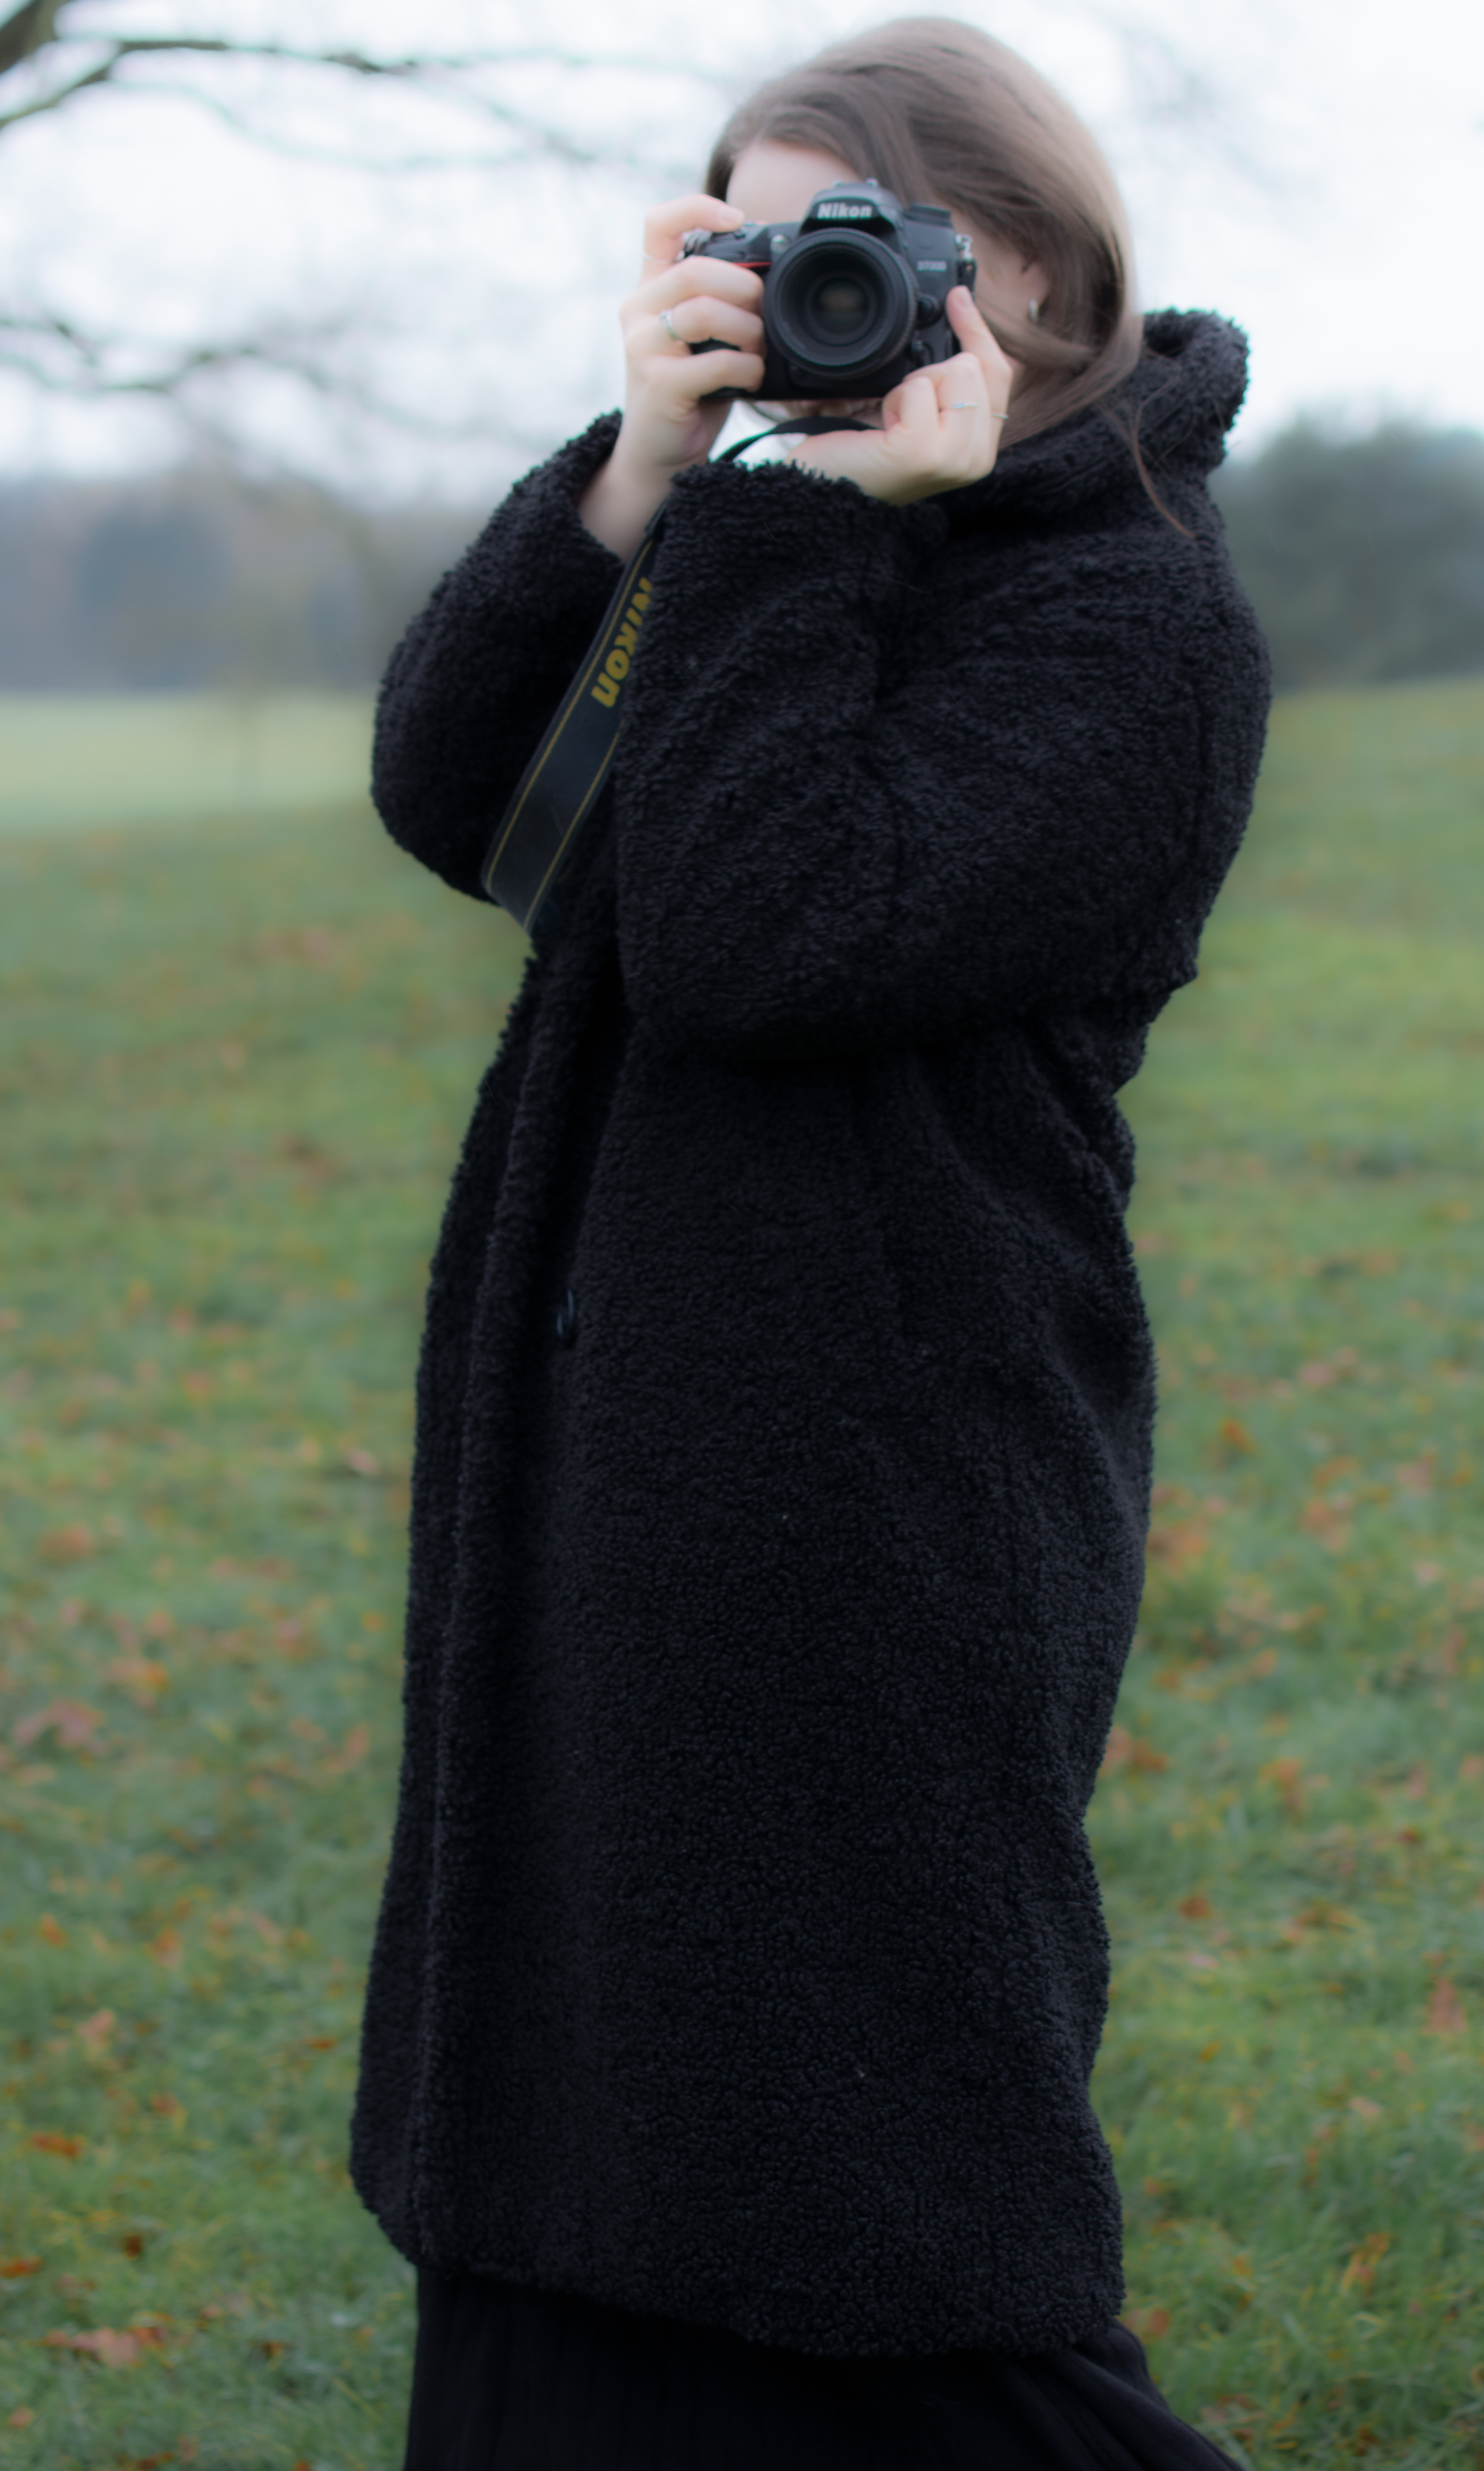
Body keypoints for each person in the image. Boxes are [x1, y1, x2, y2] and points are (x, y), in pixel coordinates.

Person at [352, 17, 1270, 2467]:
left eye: (872, 245)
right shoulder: (769, 528)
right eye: (758, 245)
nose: (822, 297)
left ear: (1045, 271)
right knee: (582, 2152)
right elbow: (456, 790)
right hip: (622, 1456)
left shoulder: (1129, 620)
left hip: (874, 1491)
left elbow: (770, 937)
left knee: (883, 2200)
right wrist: (651, 461)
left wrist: (802, 528)